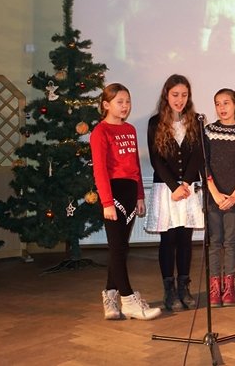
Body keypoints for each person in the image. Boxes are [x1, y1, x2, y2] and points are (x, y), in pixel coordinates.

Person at [90, 83, 161, 321]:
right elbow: (100, 170)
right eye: (119, 102)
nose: (125, 106)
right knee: (117, 248)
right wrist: (107, 202)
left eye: (127, 101)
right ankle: (128, 300)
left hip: (130, 193)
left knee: (121, 248)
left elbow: (135, 166)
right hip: (114, 194)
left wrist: (140, 195)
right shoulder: (100, 132)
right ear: (106, 105)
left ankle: (110, 295)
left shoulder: (129, 129)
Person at [144, 75, 204, 311]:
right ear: (166, 95)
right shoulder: (155, 123)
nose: (180, 100)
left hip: (188, 189)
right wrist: (174, 186)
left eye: (184, 95)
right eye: (175, 95)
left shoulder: (196, 121)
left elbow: (198, 155)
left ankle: (184, 287)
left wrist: (186, 183)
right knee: (168, 240)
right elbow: (156, 160)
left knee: (185, 240)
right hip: (166, 189)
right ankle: (169, 290)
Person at [204, 88, 235, 307]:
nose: (222, 108)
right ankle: (215, 286)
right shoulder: (208, 131)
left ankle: (229, 286)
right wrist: (214, 192)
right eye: (218, 104)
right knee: (215, 242)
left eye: (226, 103)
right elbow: (204, 164)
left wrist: (234, 195)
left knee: (231, 241)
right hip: (213, 195)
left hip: (234, 195)